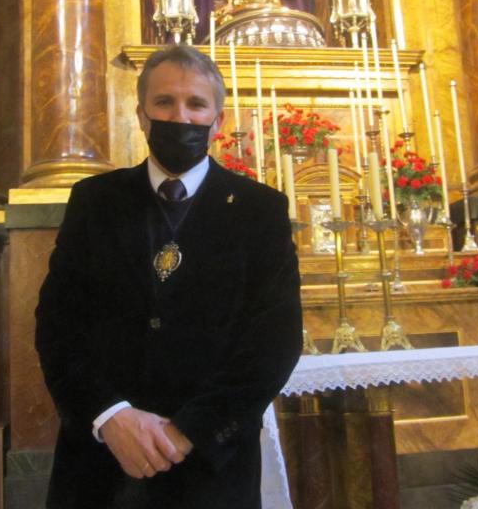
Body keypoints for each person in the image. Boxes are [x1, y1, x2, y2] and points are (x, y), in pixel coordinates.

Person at [35, 44, 302, 509]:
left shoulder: (261, 210)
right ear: (141, 115)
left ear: (218, 120)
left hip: (208, 468)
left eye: (196, 104)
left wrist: (188, 432)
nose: (181, 116)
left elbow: (273, 341)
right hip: (100, 462)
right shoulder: (95, 201)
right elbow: (58, 324)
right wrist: (111, 416)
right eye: (164, 103)